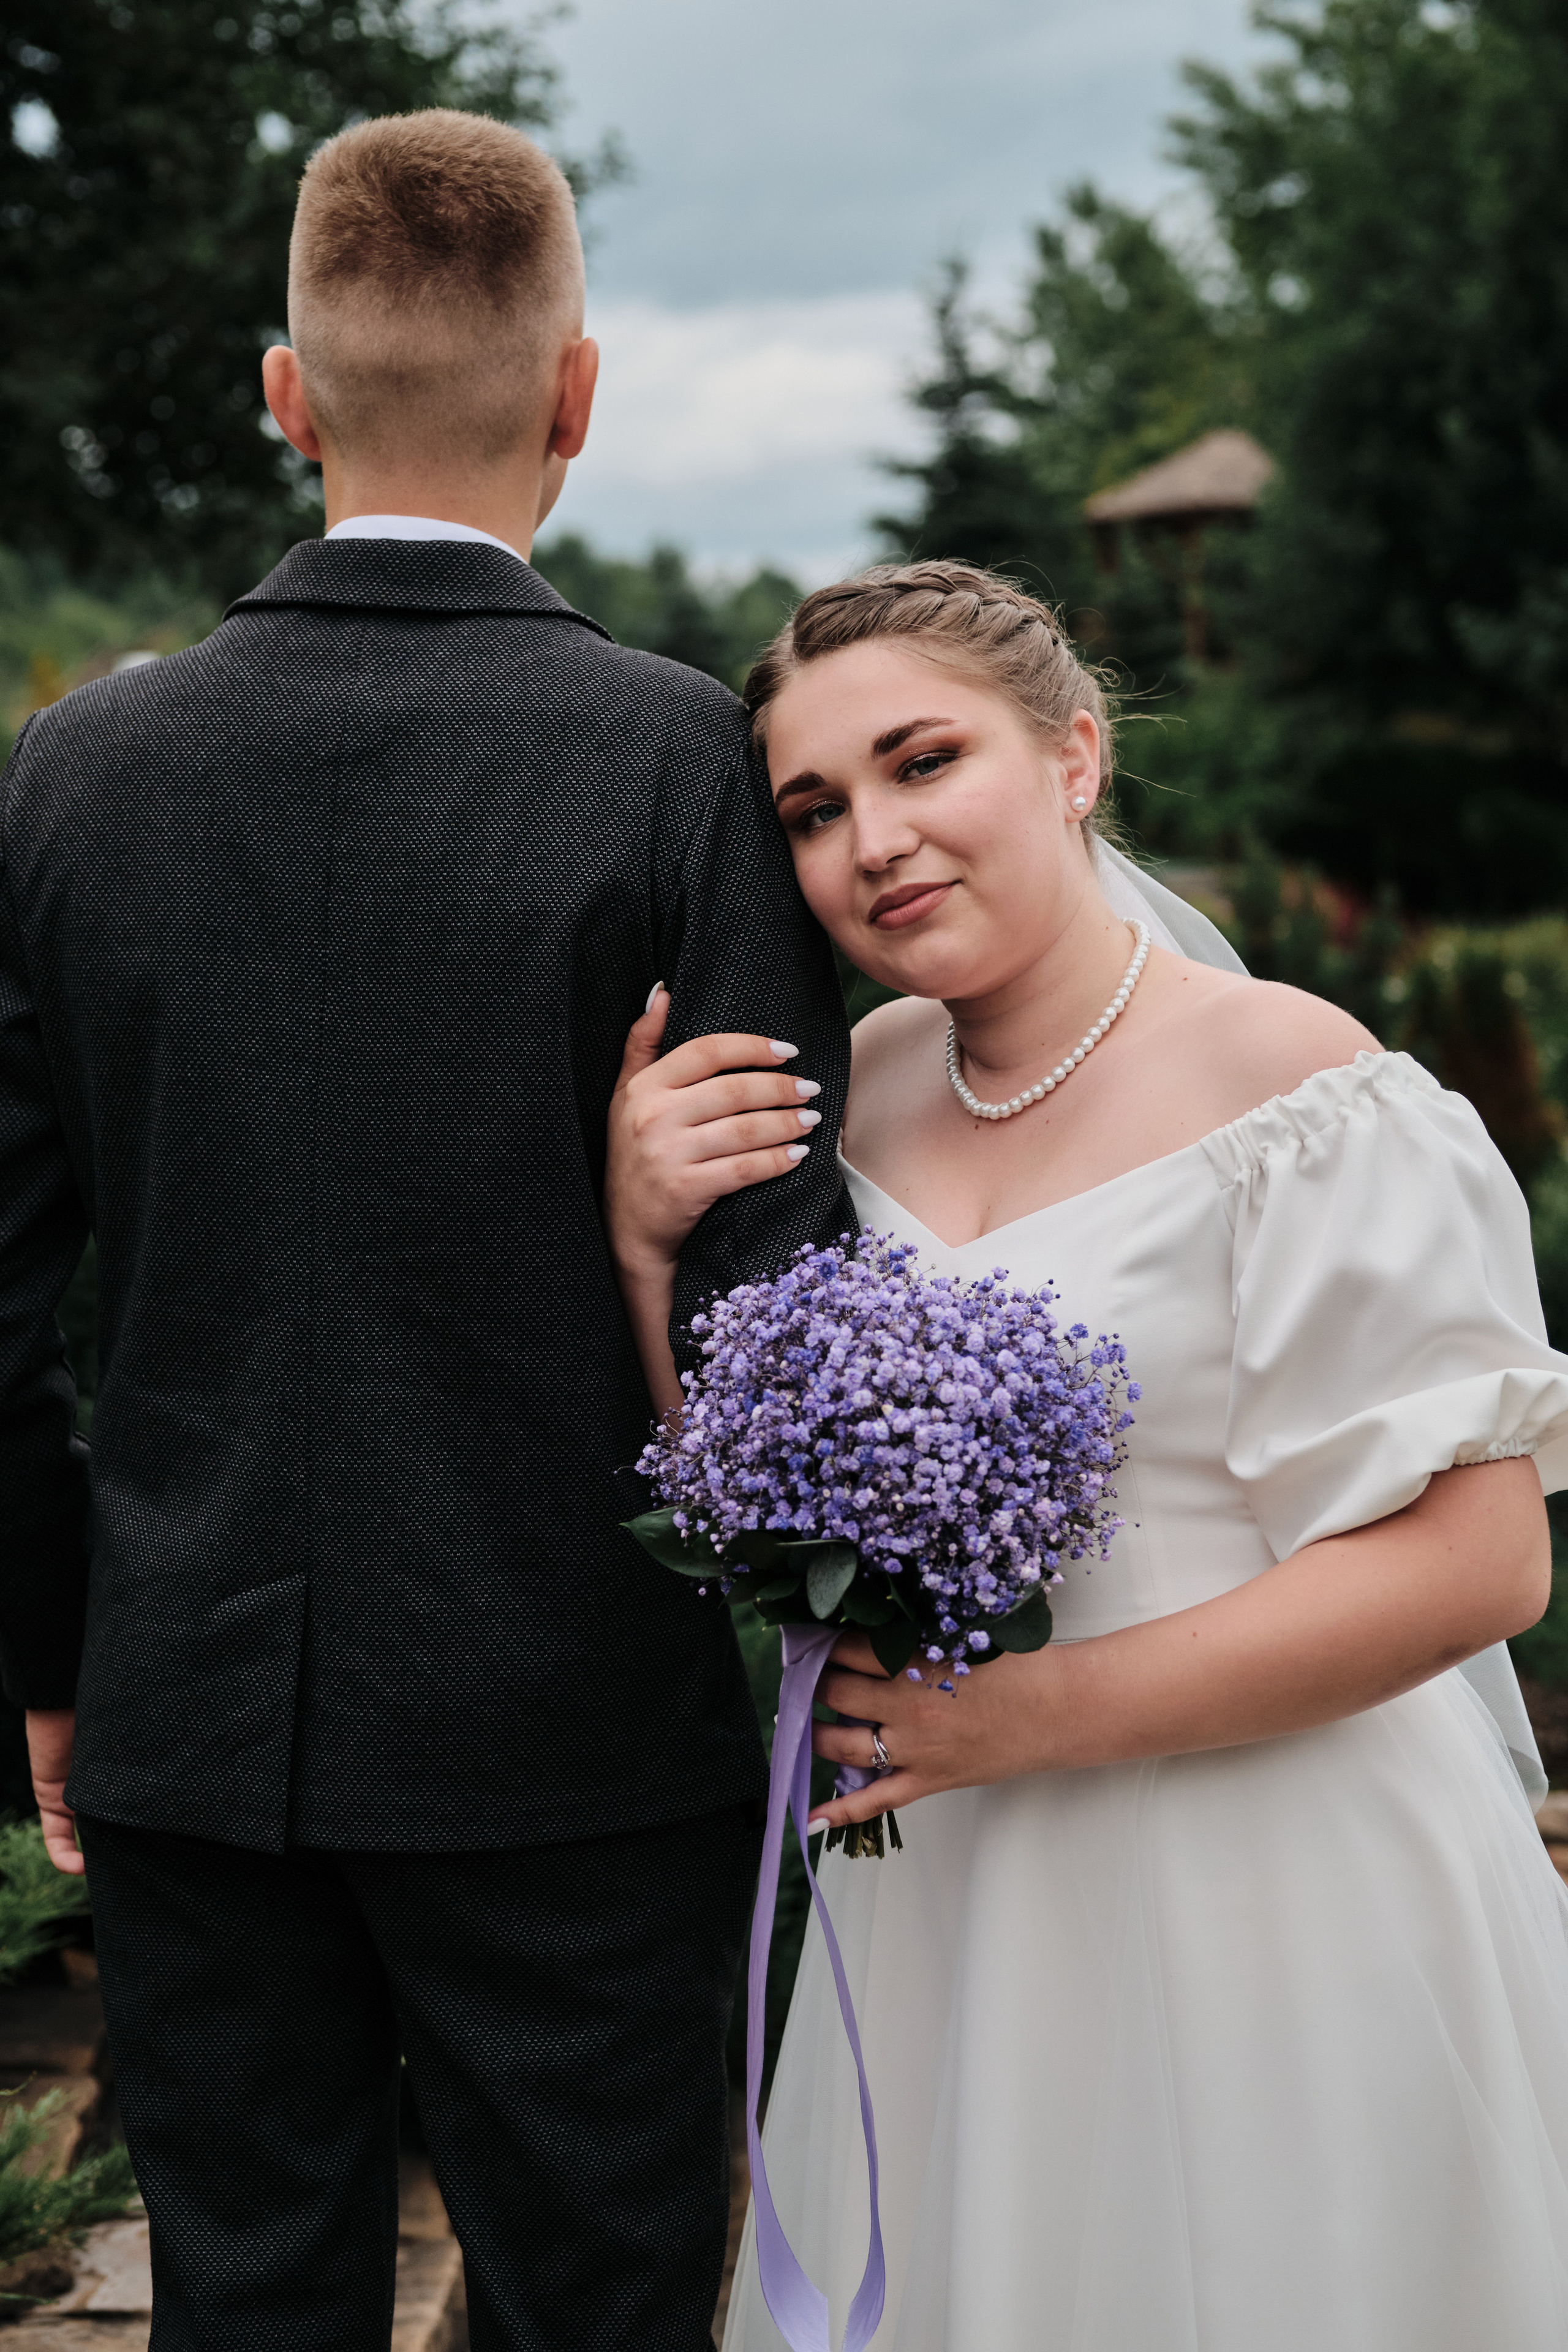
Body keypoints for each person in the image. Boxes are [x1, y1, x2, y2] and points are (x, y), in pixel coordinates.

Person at [0, 110, 851, 2351]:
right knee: (603, 2303)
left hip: (191, 1717)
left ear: (287, 397)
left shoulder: (70, 780)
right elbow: (782, 1289)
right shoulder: (679, 761)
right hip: (574, 1733)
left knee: (246, 2304)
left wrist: (55, 1662)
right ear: (578, 398)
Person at [604, 560, 1568, 2351]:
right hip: (960, 1917)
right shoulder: (851, 1093)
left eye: (921, 762)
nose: (872, 840)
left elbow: (1483, 1564)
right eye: (815, 809)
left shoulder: (1297, 1085)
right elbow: (750, 1505)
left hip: (1274, 1882)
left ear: (1074, 755)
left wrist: (1029, 1721)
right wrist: (652, 1249)